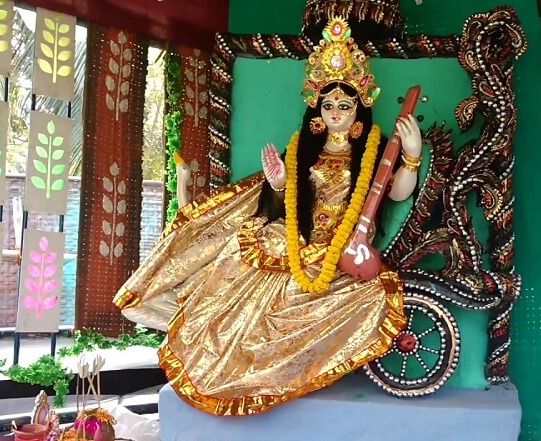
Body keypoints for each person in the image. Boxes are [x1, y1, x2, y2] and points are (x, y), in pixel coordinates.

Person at [113, 17, 423, 416]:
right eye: (328, 105)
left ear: (359, 109)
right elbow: (285, 206)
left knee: (344, 295)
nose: (335, 113)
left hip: (342, 252)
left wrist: (411, 154)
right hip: (297, 241)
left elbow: (395, 192)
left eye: (344, 106)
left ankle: (270, 368)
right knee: (239, 266)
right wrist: (277, 184)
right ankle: (225, 355)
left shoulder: (371, 153)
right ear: (317, 109)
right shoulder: (304, 150)